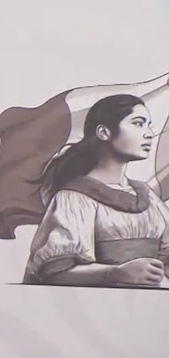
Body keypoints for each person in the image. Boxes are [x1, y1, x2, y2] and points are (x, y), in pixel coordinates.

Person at [23, 94, 169, 288]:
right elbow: (54, 272)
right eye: (138, 123)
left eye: (148, 124)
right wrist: (116, 273)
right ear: (103, 132)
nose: (149, 133)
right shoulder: (74, 198)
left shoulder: (147, 195)